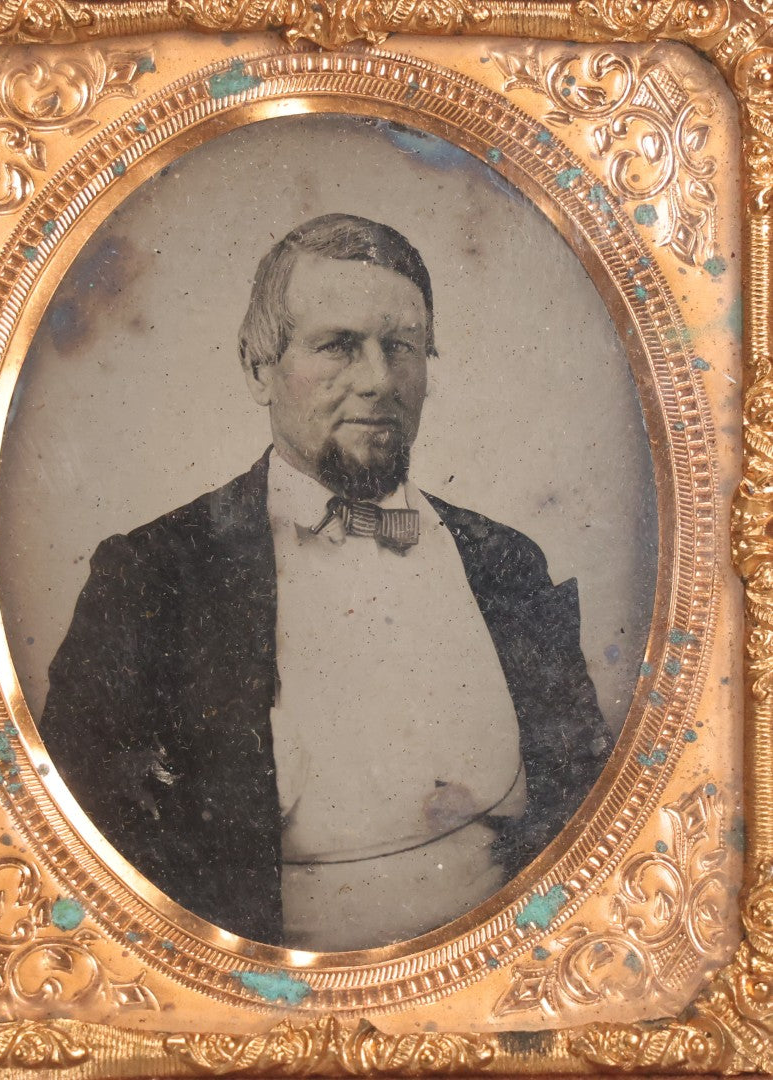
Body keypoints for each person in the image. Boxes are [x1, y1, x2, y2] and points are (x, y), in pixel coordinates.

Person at [39, 214, 613, 950]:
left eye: (401, 347)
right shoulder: (156, 572)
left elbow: (583, 805)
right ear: (258, 368)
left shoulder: (505, 562)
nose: (378, 381)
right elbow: (78, 834)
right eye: (338, 345)